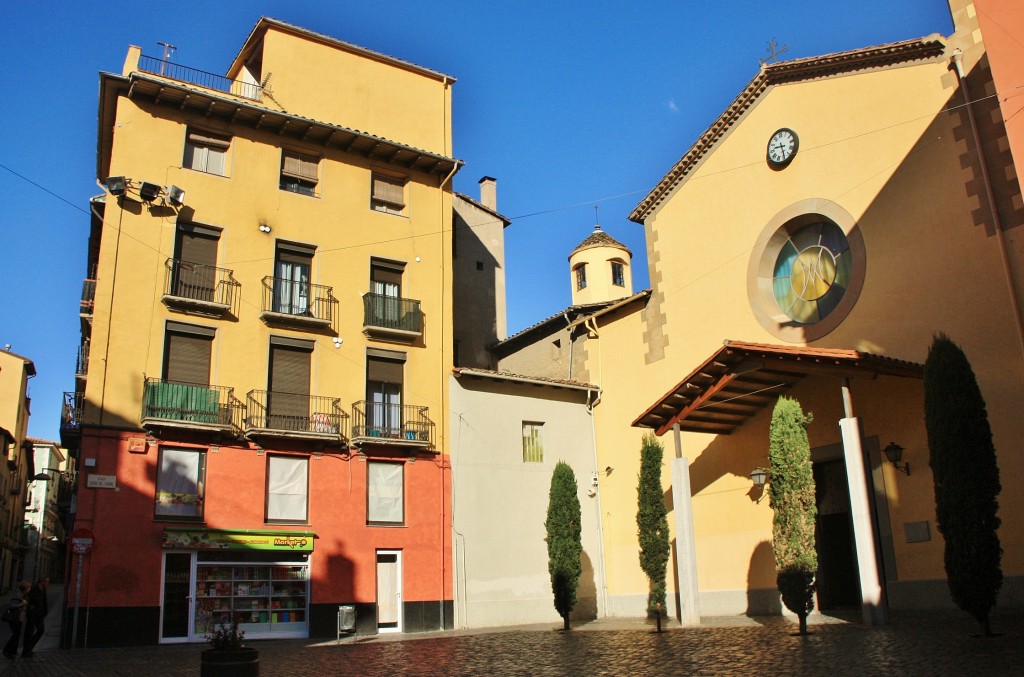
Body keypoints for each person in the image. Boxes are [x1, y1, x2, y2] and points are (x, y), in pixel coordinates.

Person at [21, 578, 48, 658]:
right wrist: (30, 607)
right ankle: (26, 650)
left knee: (41, 630)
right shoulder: (33, 589)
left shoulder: (43, 590)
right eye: (47, 582)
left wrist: (44, 612)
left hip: (40, 614)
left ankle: (29, 647)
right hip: (32, 614)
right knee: (29, 632)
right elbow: (28, 599)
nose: (48, 584)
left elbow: (44, 602)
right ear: (42, 582)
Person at [3, 582, 30, 659]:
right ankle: (7, 650)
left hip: (19, 618)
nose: (29, 590)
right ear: (25, 589)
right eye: (29, 588)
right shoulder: (18, 595)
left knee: (17, 634)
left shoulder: (24, 595)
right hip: (14, 617)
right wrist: (21, 604)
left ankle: (12, 652)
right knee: (16, 634)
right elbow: (11, 605)